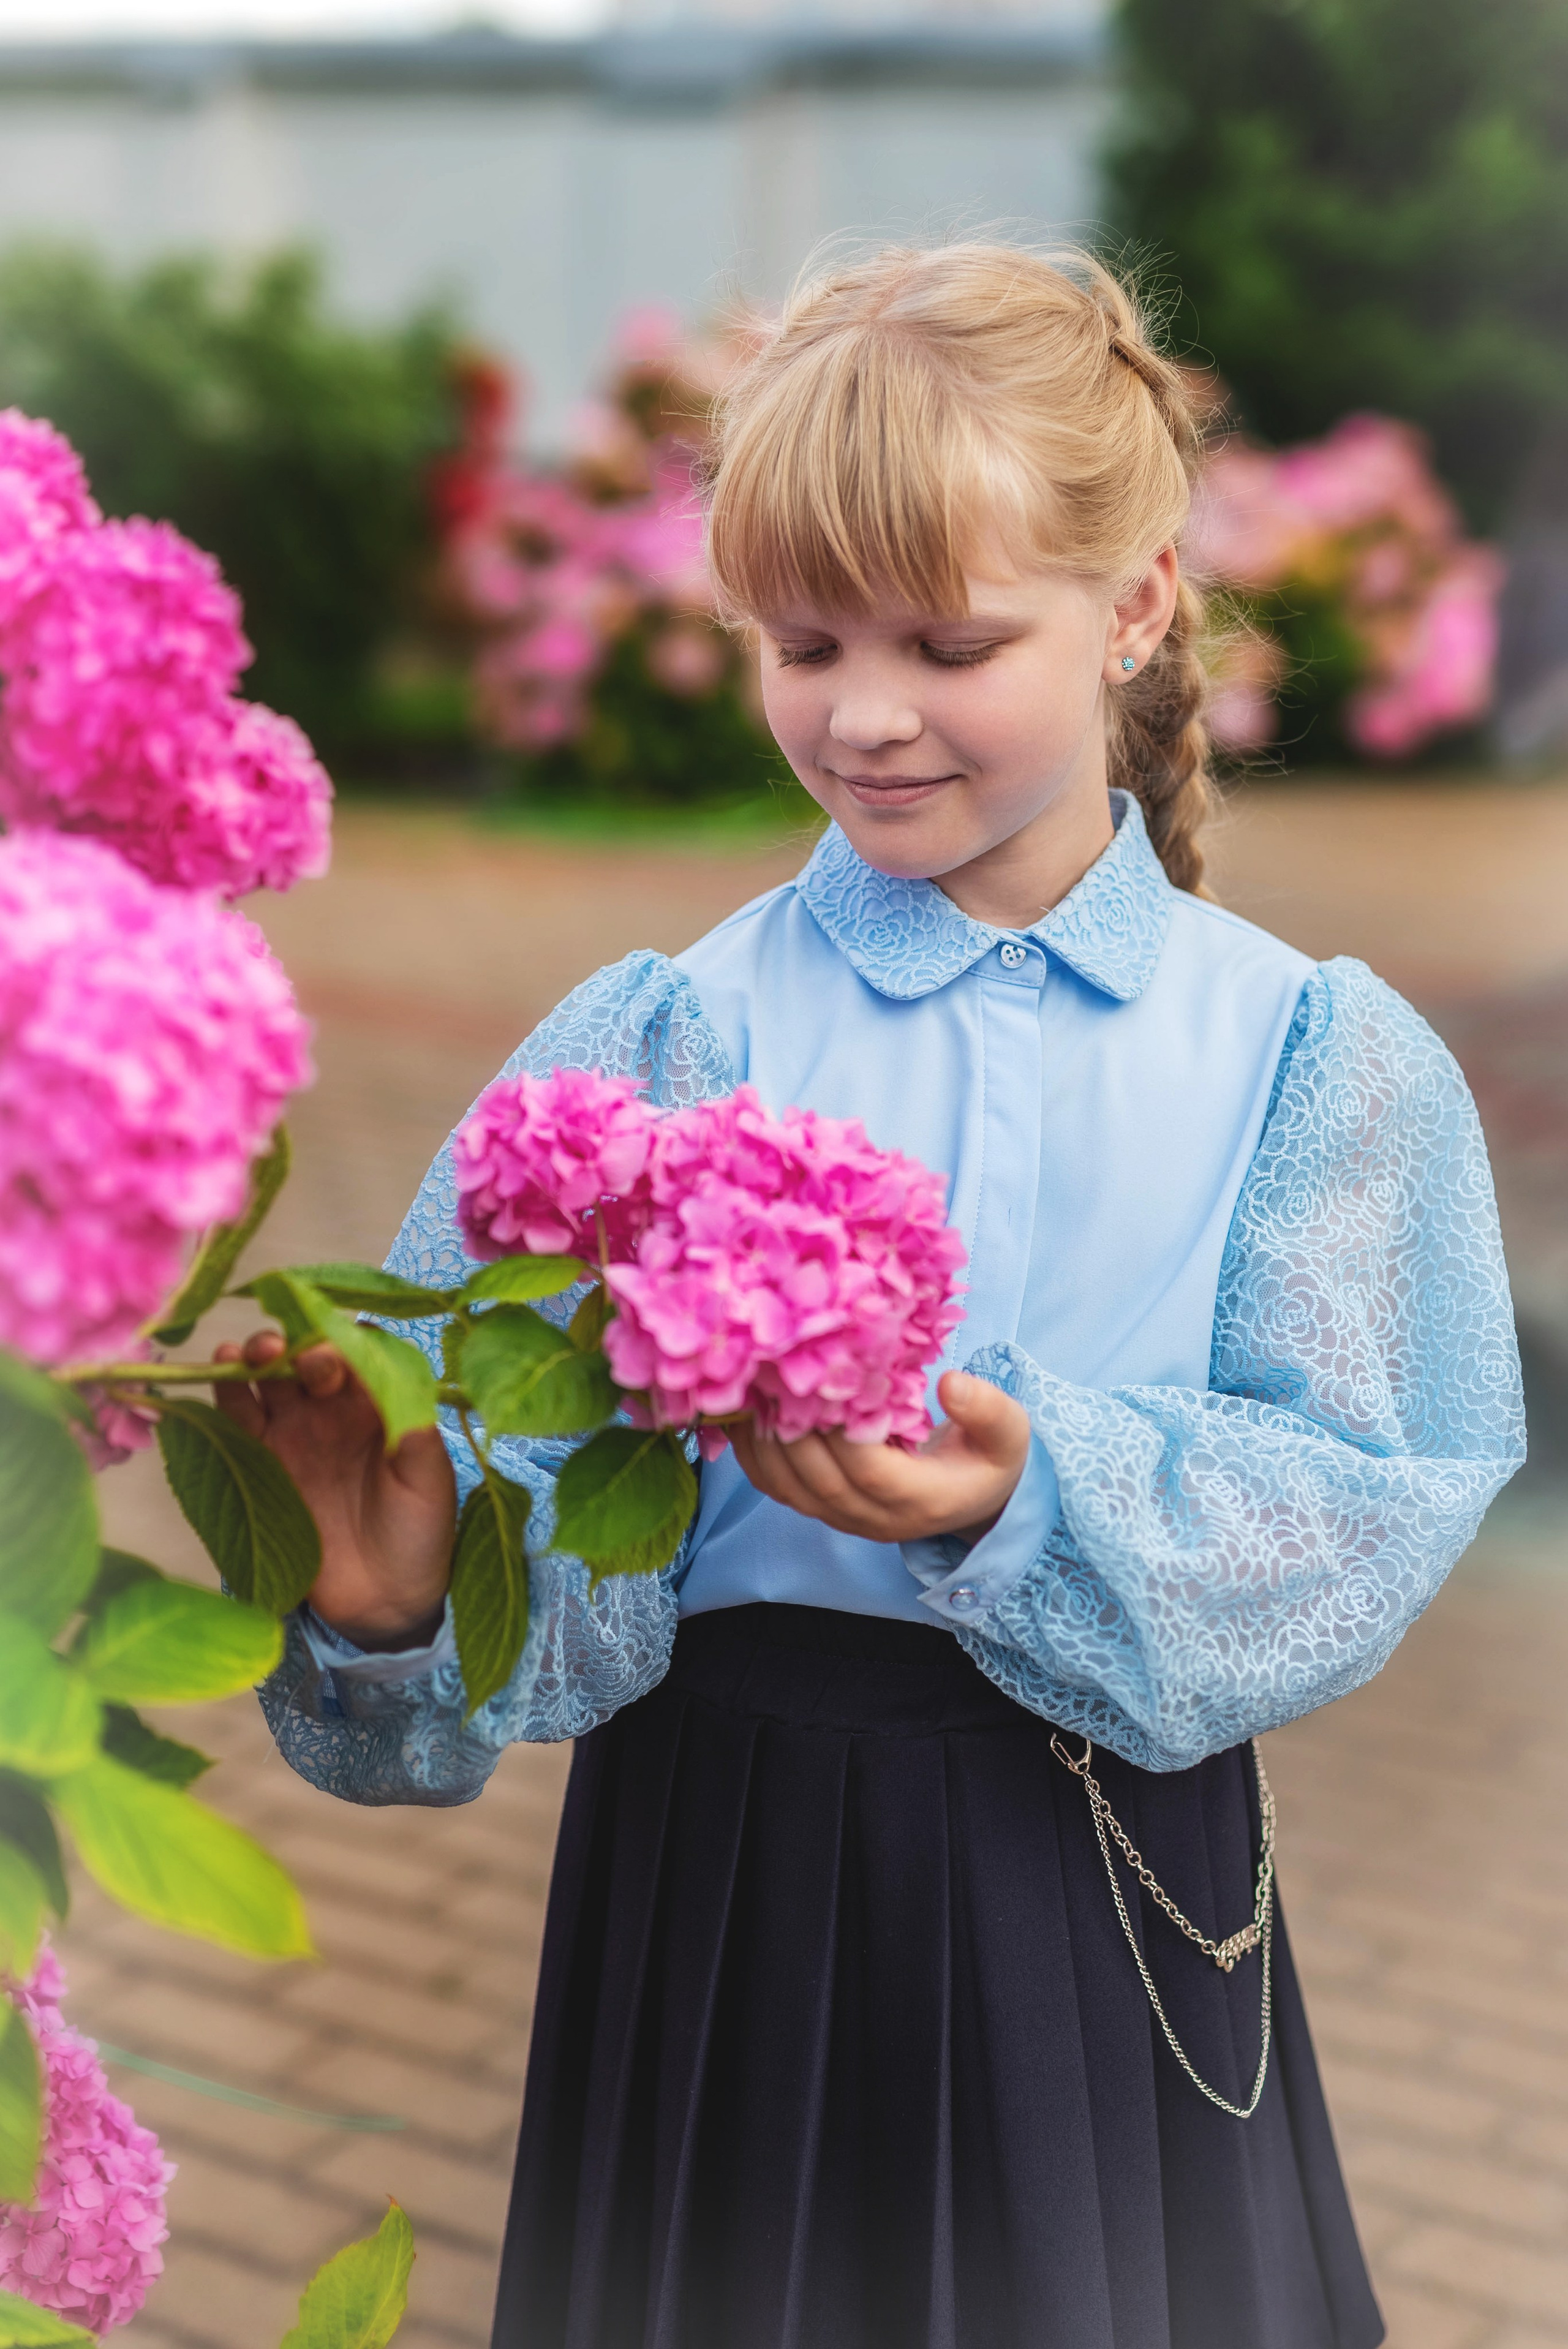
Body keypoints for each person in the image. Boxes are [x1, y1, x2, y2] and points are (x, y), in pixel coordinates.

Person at [226, 244, 1524, 2349]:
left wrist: (1035, 1491)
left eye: (951, 641)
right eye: (804, 639)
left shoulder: (1303, 1054)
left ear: (1137, 605)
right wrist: (399, 1597)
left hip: (1093, 1880)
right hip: (727, 1863)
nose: (863, 712)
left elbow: (1367, 1490)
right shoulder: (665, 1037)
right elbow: (493, 1487)